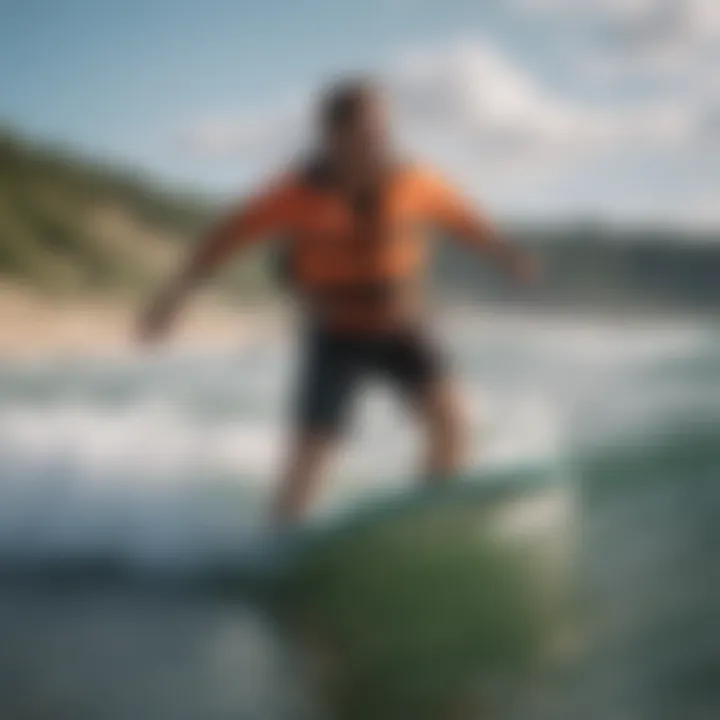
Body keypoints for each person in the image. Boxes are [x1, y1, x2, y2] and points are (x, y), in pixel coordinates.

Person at [139, 78, 538, 527]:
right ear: (333, 136)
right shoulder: (293, 194)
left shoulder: (414, 180)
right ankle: (280, 544)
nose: (381, 140)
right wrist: (170, 300)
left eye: (384, 130)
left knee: (451, 424)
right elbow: (224, 240)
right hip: (336, 333)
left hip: (401, 326)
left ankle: (432, 513)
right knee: (311, 456)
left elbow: (463, 218)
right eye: (368, 132)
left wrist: (507, 255)